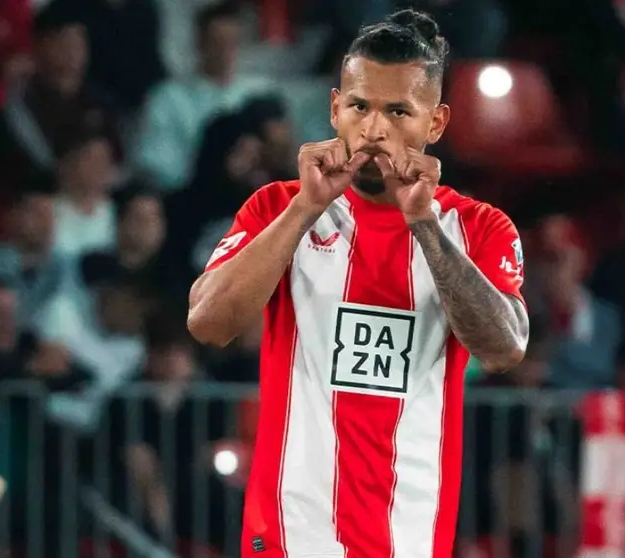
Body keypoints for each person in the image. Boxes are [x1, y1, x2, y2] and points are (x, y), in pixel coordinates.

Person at [187, 9, 530, 557]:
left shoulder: (478, 228)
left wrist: (423, 227)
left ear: (435, 123)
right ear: (333, 108)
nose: (373, 130)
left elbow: (505, 347)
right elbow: (207, 323)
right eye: (359, 106)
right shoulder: (278, 206)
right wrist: (306, 207)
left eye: (398, 111)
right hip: (286, 535)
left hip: (408, 536)